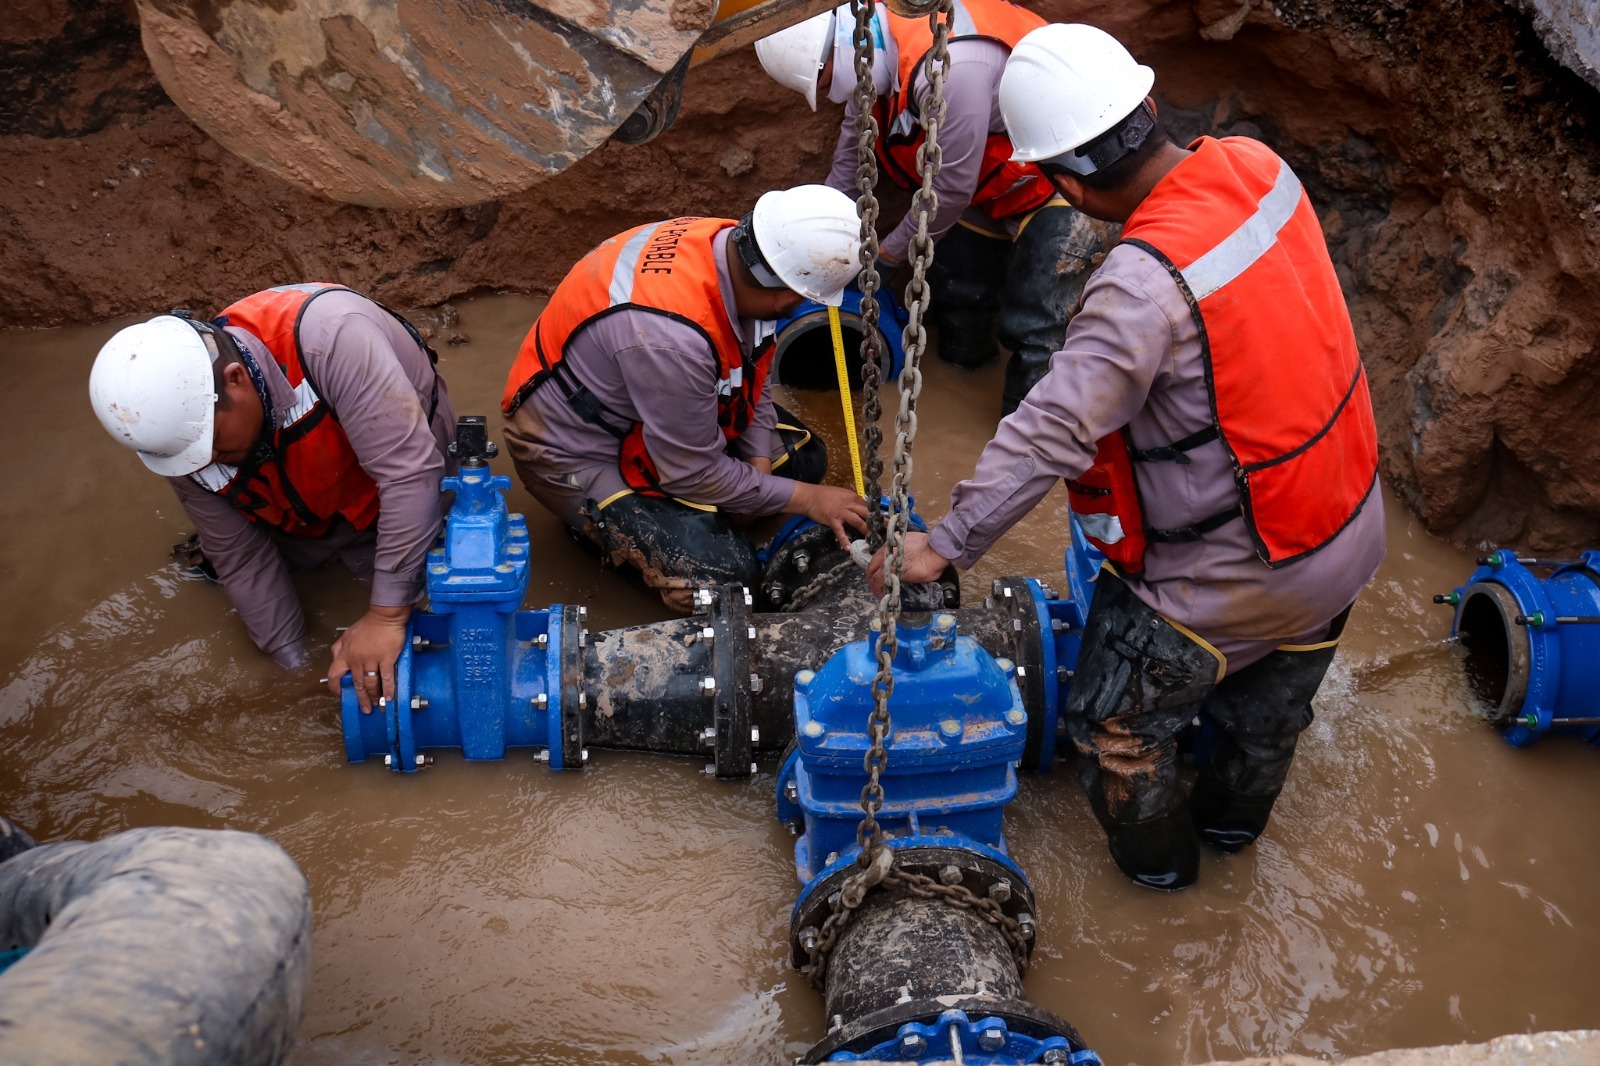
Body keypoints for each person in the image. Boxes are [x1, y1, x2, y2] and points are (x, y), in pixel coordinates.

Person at [869, 24, 1386, 891]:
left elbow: (1051, 430)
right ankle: (1230, 840)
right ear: (1147, 107)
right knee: (1266, 727)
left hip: (1232, 581)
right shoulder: (1261, 169)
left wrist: (944, 542)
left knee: (1116, 731)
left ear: (1064, 182)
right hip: (1347, 534)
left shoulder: (1141, 288)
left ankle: (1166, 887)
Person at [501, 185, 870, 612]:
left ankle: (688, 517)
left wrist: (759, 467)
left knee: (805, 459)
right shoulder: (670, 336)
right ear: (788, 296)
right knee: (727, 580)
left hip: (643, 403)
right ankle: (588, 524)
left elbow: (756, 369)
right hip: (572, 450)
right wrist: (806, 500)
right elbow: (690, 473)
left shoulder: (730, 246)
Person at [89, 284, 455, 713]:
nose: (204, 462)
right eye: (189, 457)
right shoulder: (180, 436)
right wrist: (296, 670)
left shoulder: (333, 341)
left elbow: (410, 475)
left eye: (212, 445)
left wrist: (386, 616)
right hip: (301, 513)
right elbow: (240, 555)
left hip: (408, 482)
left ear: (236, 380)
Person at [754, 0, 1115, 414]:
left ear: (833, 56)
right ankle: (966, 383)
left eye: (822, 86)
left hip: (1067, 182)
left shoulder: (951, 68)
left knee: (1036, 330)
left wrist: (887, 256)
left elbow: (948, 189)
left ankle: (1029, 447)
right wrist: (815, 252)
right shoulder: (869, 53)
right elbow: (849, 164)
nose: (827, 96)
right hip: (989, 191)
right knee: (959, 304)